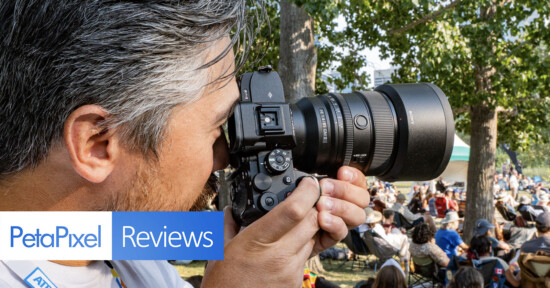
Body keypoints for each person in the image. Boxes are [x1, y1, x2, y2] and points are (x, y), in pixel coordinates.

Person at [0, 1, 369, 287]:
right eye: (216, 128)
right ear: (98, 144)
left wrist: (279, 241)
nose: (225, 156)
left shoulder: (105, 238)